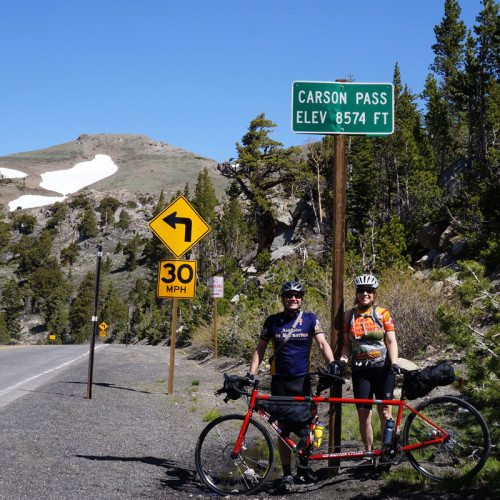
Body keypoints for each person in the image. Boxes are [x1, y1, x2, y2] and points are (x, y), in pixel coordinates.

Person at [247, 280, 334, 493]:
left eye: (296, 295)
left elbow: (322, 343)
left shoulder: (310, 319)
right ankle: (287, 473)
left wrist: (332, 364)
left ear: (301, 299)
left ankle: (303, 467)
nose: (292, 299)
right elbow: (260, 348)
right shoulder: (273, 321)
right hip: (280, 382)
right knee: (283, 429)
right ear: (283, 299)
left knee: (309, 426)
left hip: (303, 381)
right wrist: (250, 373)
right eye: (288, 295)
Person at [334, 274, 400, 463]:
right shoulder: (349, 315)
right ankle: (369, 453)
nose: (365, 293)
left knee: (385, 411)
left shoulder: (383, 313)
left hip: (383, 368)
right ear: (356, 293)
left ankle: (388, 451)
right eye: (361, 290)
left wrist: (394, 363)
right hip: (361, 370)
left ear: (374, 293)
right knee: (364, 413)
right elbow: (347, 344)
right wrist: (343, 360)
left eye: (369, 291)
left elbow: (391, 340)